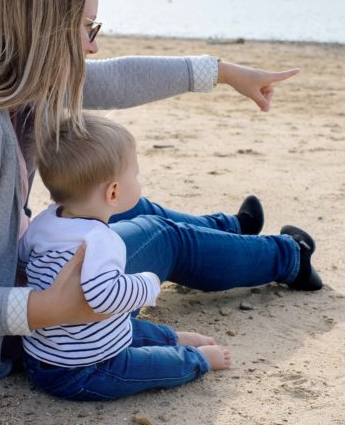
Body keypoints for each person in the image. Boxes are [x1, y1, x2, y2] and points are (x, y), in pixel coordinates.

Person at [0, 0, 322, 381]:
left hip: (9, 264)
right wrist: (52, 308)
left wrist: (225, 73)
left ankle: (227, 228)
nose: (91, 46)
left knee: (124, 203)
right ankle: (288, 257)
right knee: (161, 237)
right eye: (88, 28)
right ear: (45, 29)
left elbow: (113, 79)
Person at [21, 113, 231, 401]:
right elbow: (104, 299)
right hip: (83, 368)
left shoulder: (44, 222)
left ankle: (172, 338)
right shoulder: (101, 240)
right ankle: (196, 359)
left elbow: (22, 259)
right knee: (151, 366)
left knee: (130, 327)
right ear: (114, 192)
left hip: (41, 355)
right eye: (135, 174)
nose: (138, 180)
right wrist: (147, 284)